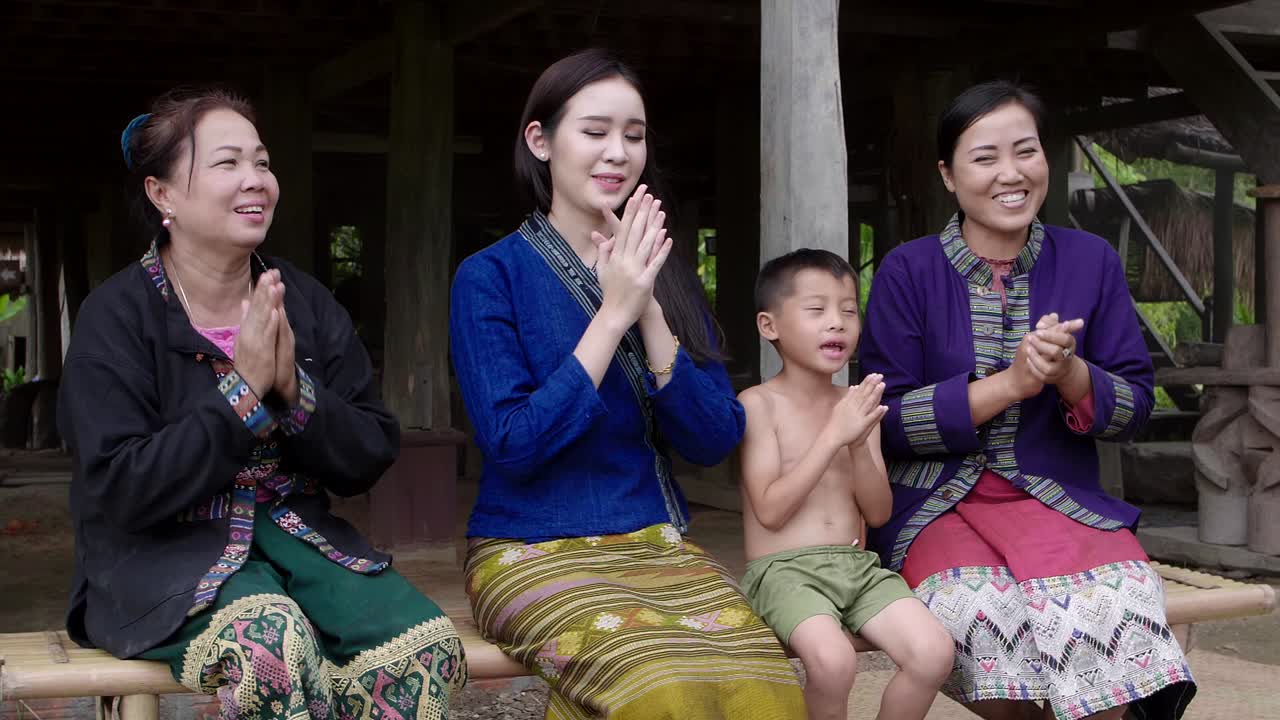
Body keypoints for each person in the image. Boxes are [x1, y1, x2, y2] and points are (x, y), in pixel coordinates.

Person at [58, 88, 465, 720]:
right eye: (228, 164)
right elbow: (119, 488)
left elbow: (370, 451)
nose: (256, 181)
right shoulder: (114, 317)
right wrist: (241, 396)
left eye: (263, 162)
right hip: (159, 560)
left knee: (422, 652)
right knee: (268, 643)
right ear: (162, 194)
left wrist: (294, 394)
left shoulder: (302, 302)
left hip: (296, 542)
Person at [449, 49, 805, 719]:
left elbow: (713, 437)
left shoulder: (660, 276)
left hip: (654, 543)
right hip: (527, 549)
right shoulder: (489, 276)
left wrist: (648, 307)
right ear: (540, 140)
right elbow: (514, 444)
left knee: (767, 686)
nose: (618, 152)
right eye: (594, 131)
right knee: (659, 689)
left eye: (633, 135)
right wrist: (612, 315)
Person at [859, 80, 1196, 720]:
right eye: (985, 158)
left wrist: (1071, 375)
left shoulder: (1090, 261)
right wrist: (1009, 386)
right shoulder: (907, 271)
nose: (1010, 174)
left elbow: (1136, 407)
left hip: (1060, 498)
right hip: (937, 505)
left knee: (1119, 612)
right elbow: (888, 421)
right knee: (988, 623)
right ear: (948, 176)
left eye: (1026, 151)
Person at [738, 249, 954, 720]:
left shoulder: (857, 405)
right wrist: (834, 435)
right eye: (816, 311)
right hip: (784, 572)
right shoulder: (759, 405)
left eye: (849, 311)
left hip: (857, 567)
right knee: (834, 662)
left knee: (933, 652)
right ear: (769, 325)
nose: (836, 323)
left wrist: (856, 443)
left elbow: (877, 513)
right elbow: (771, 511)